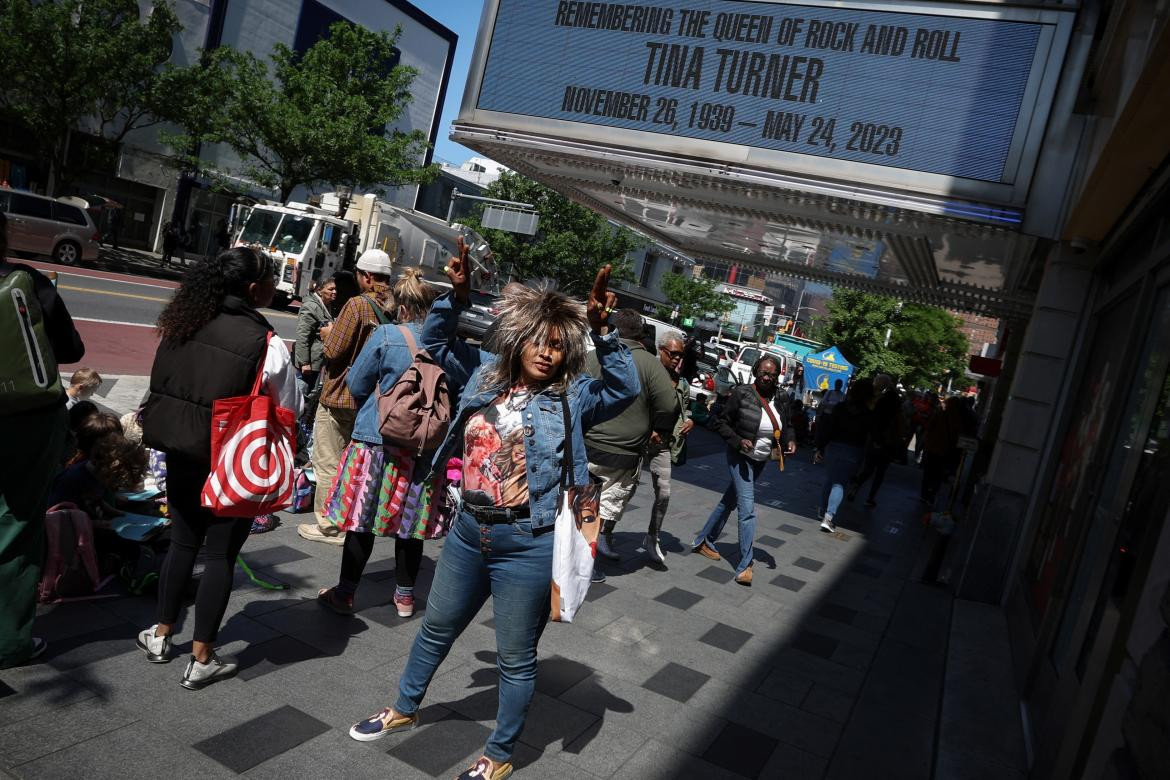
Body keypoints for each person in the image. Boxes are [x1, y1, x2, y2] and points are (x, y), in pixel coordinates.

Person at [347, 244, 637, 780]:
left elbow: (626, 387)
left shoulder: (575, 399)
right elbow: (432, 342)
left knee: (515, 656)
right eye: (538, 342)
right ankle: (404, 709)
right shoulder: (483, 377)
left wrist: (604, 330)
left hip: (530, 541)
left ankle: (500, 755)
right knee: (436, 628)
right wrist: (453, 298)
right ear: (518, 339)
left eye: (556, 346)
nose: (547, 353)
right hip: (467, 531)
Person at [137, 246, 302, 690]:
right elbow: (290, 406)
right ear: (253, 289)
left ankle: (160, 634)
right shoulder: (264, 342)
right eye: (271, 281)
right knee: (221, 555)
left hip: (179, 449)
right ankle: (202, 656)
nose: (276, 288)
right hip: (233, 461)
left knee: (182, 543)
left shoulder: (182, 320)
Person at [316, 269, 443, 619]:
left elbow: (356, 383)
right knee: (411, 524)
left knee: (362, 520)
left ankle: (345, 594)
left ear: (400, 306)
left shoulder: (387, 335)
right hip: (421, 446)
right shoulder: (443, 343)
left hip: (376, 441)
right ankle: (404, 598)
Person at [0, 210, 86, 668]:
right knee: (17, 522)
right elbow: (71, 349)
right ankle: (9, 641)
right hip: (26, 420)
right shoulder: (28, 281)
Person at [299, 250, 394, 546]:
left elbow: (333, 351)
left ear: (365, 276)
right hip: (369, 399)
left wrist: (328, 333)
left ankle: (330, 525)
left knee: (328, 461)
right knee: (351, 463)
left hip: (340, 395)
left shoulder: (357, 305)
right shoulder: (391, 306)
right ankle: (349, 517)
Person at [584, 309, 677, 566]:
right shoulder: (650, 364)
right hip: (622, 456)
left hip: (585, 447)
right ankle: (586, 568)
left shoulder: (591, 357)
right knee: (599, 515)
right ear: (641, 334)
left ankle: (574, 565)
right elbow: (668, 405)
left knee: (577, 510)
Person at [693, 355, 795, 585]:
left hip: (760, 459)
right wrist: (739, 441)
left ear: (777, 376)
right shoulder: (742, 393)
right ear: (755, 372)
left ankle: (703, 540)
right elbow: (719, 421)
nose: (767, 377)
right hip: (740, 456)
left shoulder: (781, 396)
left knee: (730, 500)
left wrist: (791, 440)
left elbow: (787, 425)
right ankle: (745, 564)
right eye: (763, 373)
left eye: (772, 374)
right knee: (747, 508)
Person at [640, 328, 693, 565]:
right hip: (639, 440)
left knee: (664, 492)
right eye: (673, 354)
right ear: (661, 351)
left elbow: (686, 408)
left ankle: (653, 537)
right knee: (625, 489)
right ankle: (607, 533)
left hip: (664, 443)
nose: (677, 358)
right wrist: (647, 428)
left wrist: (690, 419)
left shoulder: (682, 382)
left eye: (680, 355)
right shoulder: (649, 373)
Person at [817, 379, 874, 532]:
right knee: (840, 484)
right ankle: (828, 517)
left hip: (833, 447)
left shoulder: (840, 408)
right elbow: (869, 437)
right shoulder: (868, 414)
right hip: (853, 450)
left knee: (830, 479)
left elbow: (828, 428)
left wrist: (821, 447)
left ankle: (822, 510)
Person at [847, 373, 904, 508]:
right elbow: (898, 420)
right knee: (880, 472)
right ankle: (870, 497)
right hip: (888, 440)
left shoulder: (876, 398)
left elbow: (873, 419)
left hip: (874, 438)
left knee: (868, 468)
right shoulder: (894, 399)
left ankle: (856, 486)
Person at [293, 275, 337, 401]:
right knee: (301, 395)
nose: (334, 292)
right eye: (330, 289)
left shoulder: (325, 305)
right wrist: (304, 363)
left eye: (335, 289)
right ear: (319, 290)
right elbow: (303, 335)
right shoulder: (311, 307)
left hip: (317, 360)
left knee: (311, 391)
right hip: (309, 363)